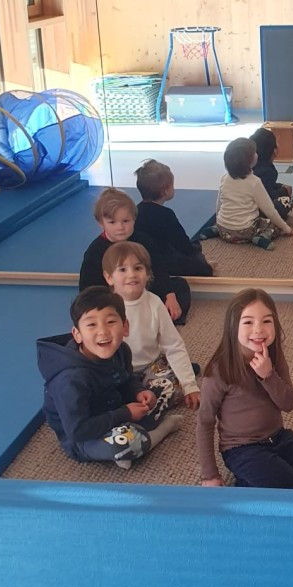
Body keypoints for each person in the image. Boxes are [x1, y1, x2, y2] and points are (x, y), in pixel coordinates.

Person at [197, 289, 293, 489]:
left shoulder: (274, 356)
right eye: (248, 322)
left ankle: (266, 478)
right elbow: (205, 421)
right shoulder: (220, 370)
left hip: (278, 437)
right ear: (233, 327)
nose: (259, 329)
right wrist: (209, 474)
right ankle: (250, 483)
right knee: (286, 485)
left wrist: (268, 376)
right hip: (241, 448)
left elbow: (289, 403)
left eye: (266, 321)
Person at [37, 286, 185, 470]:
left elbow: (125, 380)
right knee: (124, 444)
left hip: (114, 406)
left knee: (168, 384)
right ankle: (161, 430)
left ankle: (137, 432)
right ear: (77, 335)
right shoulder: (70, 379)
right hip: (85, 436)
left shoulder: (121, 350)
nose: (103, 331)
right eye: (92, 325)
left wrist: (139, 392)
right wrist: (126, 413)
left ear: (125, 327)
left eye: (110, 322)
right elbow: (78, 431)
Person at [102, 241, 201, 419]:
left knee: (175, 386)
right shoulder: (105, 308)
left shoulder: (155, 303)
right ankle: (134, 408)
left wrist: (189, 385)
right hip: (118, 372)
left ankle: (143, 408)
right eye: (122, 269)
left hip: (150, 367)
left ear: (147, 273)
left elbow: (173, 345)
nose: (132, 274)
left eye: (138, 268)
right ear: (109, 277)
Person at [79, 187, 191, 324]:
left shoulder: (144, 241)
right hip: (113, 299)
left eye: (126, 221)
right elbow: (88, 289)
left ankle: (151, 317)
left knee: (180, 287)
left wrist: (170, 295)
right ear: (101, 223)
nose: (120, 227)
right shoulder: (95, 252)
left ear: (134, 219)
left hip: (142, 290)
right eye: (112, 222)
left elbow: (158, 268)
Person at [200, 137, 293, 250]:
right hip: (245, 232)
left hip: (223, 229)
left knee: (227, 221)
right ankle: (262, 236)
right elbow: (269, 210)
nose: (256, 154)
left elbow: (219, 203)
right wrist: (286, 228)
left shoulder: (224, 178)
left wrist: (218, 220)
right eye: (254, 153)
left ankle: (215, 229)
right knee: (272, 223)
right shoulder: (254, 182)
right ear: (250, 160)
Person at [133, 159, 214, 278]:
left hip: (140, 259)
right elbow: (181, 243)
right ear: (165, 191)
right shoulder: (166, 215)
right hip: (163, 260)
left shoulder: (135, 211)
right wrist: (195, 250)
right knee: (200, 263)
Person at [249, 127, 293, 219]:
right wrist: (284, 191)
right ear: (274, 151)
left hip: (245, 205)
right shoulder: (267, 171)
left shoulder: (252, 165)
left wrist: (280, 186)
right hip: (255, 210)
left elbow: (266, 186)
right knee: (286, 202)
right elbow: (266, 196)